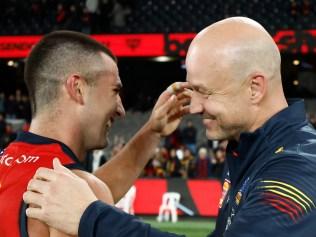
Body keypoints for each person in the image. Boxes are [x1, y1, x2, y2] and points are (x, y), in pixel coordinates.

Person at [23, 16, 316, 237]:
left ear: (255, 88)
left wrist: (92, 219)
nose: (196, 107)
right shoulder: (250, 147)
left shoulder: (299, 169)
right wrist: (152, 131)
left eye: (205, 92)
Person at [0, 31, 190, 237]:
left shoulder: (11, 166)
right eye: (115, 91)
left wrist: (152, 131)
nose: (121, 109)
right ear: (78, 88)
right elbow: (90, 195)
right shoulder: (75, 191)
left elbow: (90, 191)